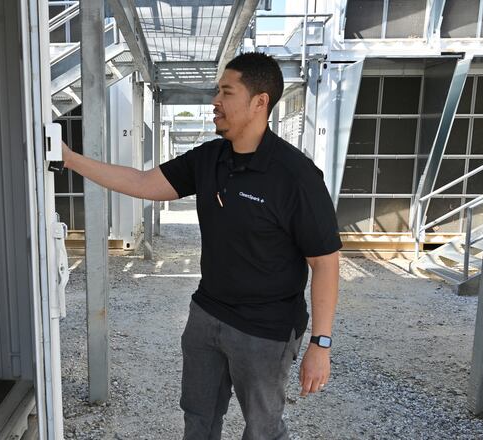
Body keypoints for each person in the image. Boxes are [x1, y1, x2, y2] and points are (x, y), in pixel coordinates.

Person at [62, 52, 340, 440]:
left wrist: (320, 345)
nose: (215, 102)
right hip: (207, 316)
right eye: (217, 92)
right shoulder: (210, 158)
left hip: (265, 329)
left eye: (227, 92)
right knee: (198, 419)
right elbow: (143, 183)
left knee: (262, 430)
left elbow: (325, 262)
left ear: (260, 102)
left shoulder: (295, 176)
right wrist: (70, 159)